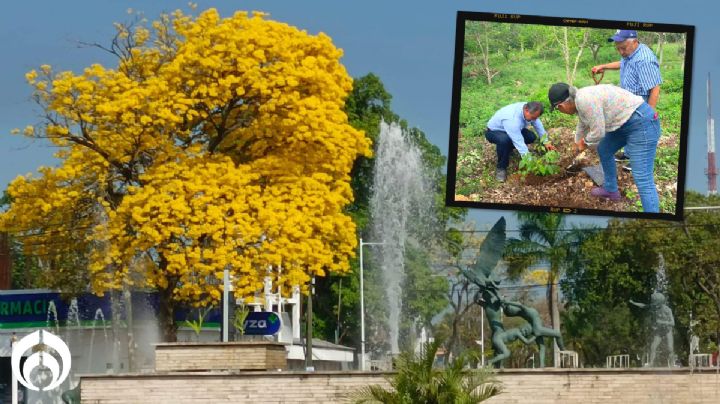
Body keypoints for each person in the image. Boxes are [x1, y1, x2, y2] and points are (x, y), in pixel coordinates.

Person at [548, 82, 661, 212]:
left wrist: (584, 143)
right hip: (623, 122)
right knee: (604, 149)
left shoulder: (585, 100)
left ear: (561, 105)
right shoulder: (579, 99)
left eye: (558, 109)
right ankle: (611, 190)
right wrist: (576, 142)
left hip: (641, 123)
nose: (560, 111)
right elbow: (583, 123)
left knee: (642, 178)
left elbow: (598, 131)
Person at [592, 30, 662, 165]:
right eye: (618, 48)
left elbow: (655, 88)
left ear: (635, 42)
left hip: (640, 102)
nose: (621, 52)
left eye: (623, 48)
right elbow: (622, 63)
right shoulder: (630, 53)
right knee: (626, 126)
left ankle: (638, 160)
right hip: (628, 100)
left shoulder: (644, 59)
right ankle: (628, 153)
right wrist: (604, 66)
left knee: (638, 130)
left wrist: (650, 113)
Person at [485, 101, 555, 182]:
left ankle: (507, 149)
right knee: (504, 140)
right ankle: (501, 167)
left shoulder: (531, 109)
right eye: (532, 117)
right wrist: (529, 162)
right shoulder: (512, 119)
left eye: (535, 118)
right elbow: (519, 142)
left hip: (512, 129)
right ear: (526, 110)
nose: (534, 120)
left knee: (531, 137)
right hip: (494, 131)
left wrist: (546, 142)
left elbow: (538, 126)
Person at [630, 292, 675, 366]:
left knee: (670, 348)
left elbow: (673, 323)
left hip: (667, 331)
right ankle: (651, 363)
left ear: (659, 303)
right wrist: (633, 303)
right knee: (653, 347)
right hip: (659, 331)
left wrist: (662, 322)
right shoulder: (654, 307)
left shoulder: (667, 310)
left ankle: (672, 364)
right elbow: (644, 306)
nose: (654, 305)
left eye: (655, 303)